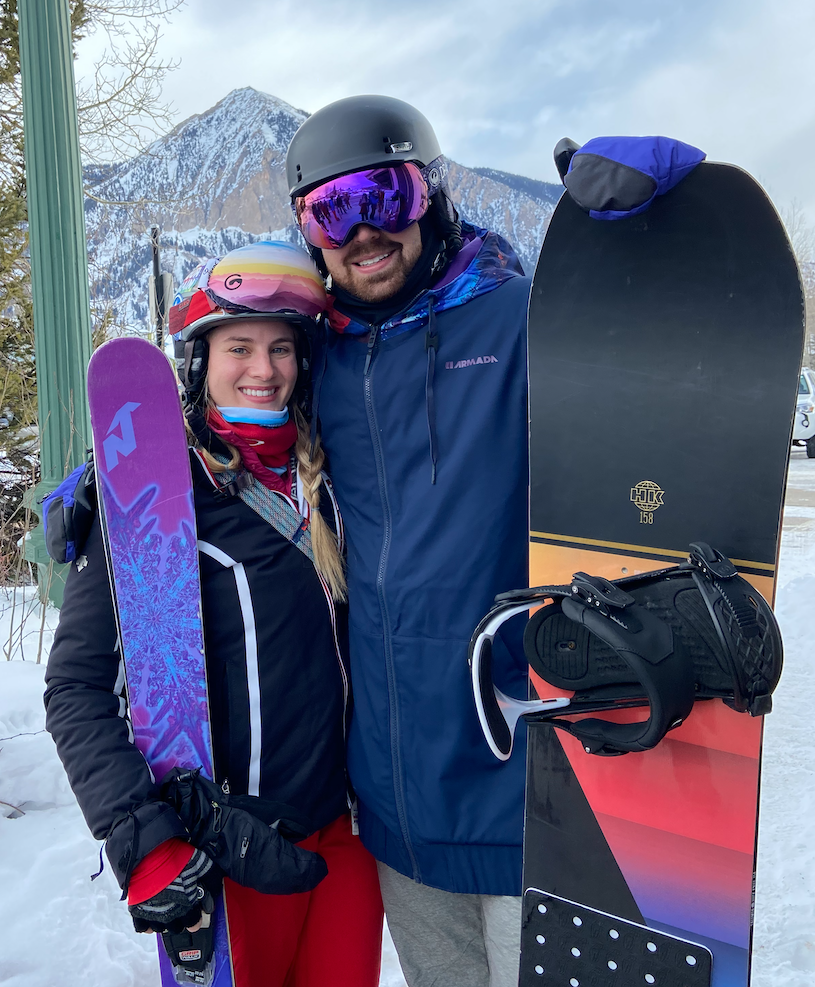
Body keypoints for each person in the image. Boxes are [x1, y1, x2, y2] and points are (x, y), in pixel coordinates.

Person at [285, 98, 701, 987]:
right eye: (330, 210)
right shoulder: (318, 359)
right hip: (396, 802)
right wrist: (131, 475)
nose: (361, 231)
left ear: (430, 194)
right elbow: (233, 425)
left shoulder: (520, 318)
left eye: (381, 195)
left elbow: (640, 365)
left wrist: (652, 233)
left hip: (526, 790)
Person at [43, 241, 384, 987]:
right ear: (199, 360)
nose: (263, 369)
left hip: (346, 840)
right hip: (230, 846)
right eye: (239, 347)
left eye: (281, 349)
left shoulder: (332, 485)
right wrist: (146, 841)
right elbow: (74, 689)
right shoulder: (150, 497)